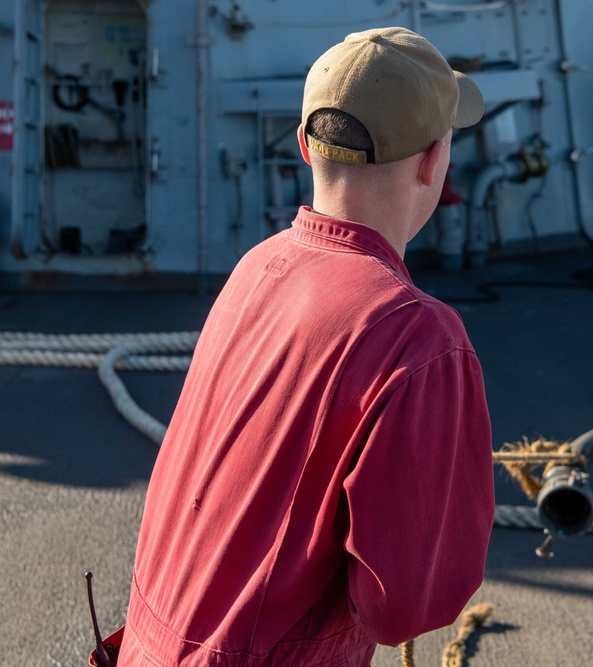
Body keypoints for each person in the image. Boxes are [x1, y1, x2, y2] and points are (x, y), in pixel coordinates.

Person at [106, 27, 496, 667]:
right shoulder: (419, 338)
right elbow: (404, 606)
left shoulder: (258, 266)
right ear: (433, 161)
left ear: (305, 149)